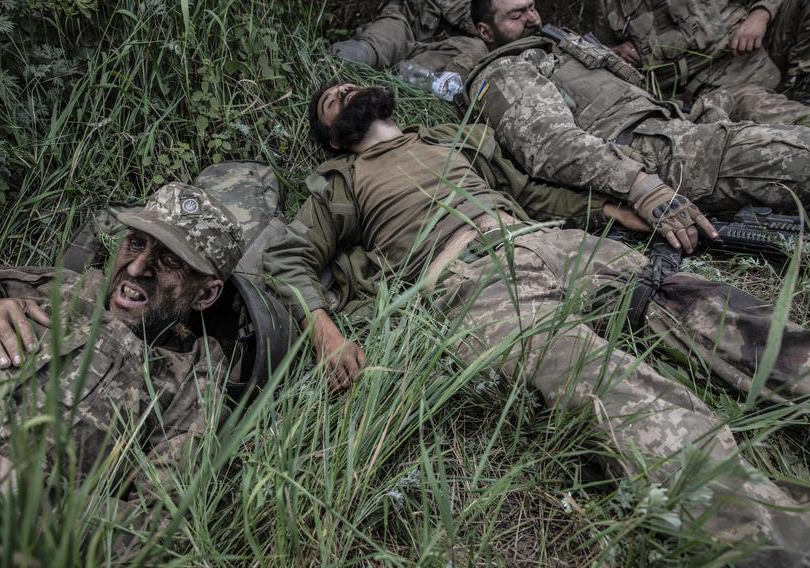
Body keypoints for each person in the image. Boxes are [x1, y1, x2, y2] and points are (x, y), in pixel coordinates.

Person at [263, 81, 810, 564]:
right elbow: (290, 259)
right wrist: (326, 333)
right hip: (474, 277)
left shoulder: (453, 138)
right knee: (601, 385)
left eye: (349, 85)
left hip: (553, 240)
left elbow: (528, 194)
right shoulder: (340, 178)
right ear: (334, 138)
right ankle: (778, 540)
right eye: (332, 100)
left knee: (715, 309)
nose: (346, 91)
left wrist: (610, 212)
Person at [0, 182, 247, 491]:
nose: (137, 267)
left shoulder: (190, 389)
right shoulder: (66, 289)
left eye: (170, 261)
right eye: (136, 243)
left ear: (205, 295)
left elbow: (147, 530)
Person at [463, 0, 810, 256]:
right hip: (656, 153)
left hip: (676, 124)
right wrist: (641, 186)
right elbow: (552, 145)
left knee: (753, 102)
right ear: (485, 31)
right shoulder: (504, 70)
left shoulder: (555, 48)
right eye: (516, 15)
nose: (532, 18)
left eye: (532, 8)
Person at [597, 0, 810, 122]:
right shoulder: (609, 5)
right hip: (714, 87)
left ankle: (802, 90)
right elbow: (596, 49)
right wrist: (614, 52)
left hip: (761, 45)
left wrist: (761, 13)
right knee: (759, 110)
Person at [329, 0, 488, 79]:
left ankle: (393, 80)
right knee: (364, 51)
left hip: (447, 49)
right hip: (407, 23)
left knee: (475, 51)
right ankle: (331, 64)